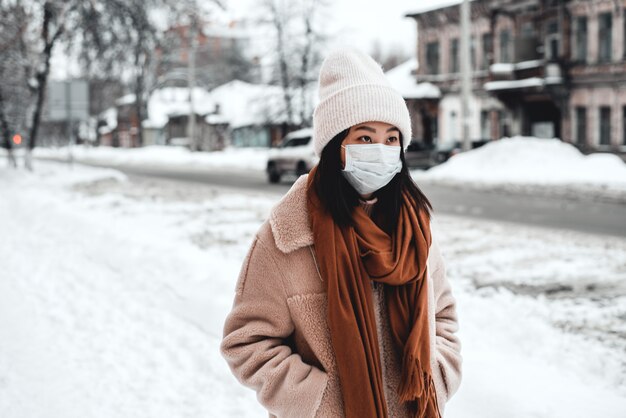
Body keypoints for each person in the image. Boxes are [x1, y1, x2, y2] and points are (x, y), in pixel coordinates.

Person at [220, 49, 462, 418]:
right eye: (365, 138)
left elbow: (442, 318)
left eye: (391, 139)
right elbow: (247, 344)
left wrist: (437, 376)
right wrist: (323, 401)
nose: (380, 150)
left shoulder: (415, 230)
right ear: (336, 147)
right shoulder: (287, 235)